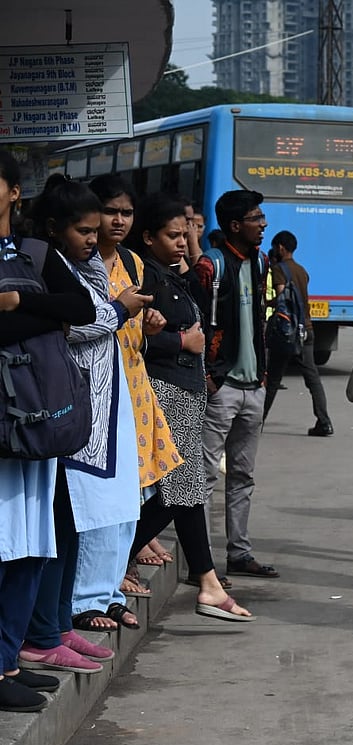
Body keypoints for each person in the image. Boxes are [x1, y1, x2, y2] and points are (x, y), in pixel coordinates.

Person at [21, 176, 152, 671]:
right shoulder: (38, 262)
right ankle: (43, 631)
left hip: (90, 412)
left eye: (96, 229)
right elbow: (77, 323)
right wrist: (120, 309)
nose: (94, 239)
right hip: (59, 408)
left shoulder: (79, 263)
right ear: (53, 227)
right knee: (58, 521)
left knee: (75, 521)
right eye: (84, 230)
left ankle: (57, 626)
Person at [0, 151, 96, 710]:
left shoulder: (34, 253)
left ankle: (9, 656)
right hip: (5, 422)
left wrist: (16, 299)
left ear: (16, 192)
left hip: (40, 419)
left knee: (32, 546)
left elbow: (81, 304)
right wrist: (44, 312)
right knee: (5, 545)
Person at [128, 193, 254, 620]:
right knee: (181, 490)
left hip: (187, 390)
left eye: (186, 234)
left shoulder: (173, 276)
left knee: (181, 491)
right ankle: (205, 580)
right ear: (148, 237)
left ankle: (205, 580)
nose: (182, 242)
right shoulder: (146, 279)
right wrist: (180, 341)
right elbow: (132, 338)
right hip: (166, 392)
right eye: (172, 235)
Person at [89, 174, 179, 609]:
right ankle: (94, 590)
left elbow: (138, 329)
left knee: (135, 491)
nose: (118, 220)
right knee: (101, 496)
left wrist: (151, 324)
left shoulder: (134, 263)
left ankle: (114, 577)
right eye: (111, 212)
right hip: (96, 388)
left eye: (126, 212)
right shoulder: (77, 262)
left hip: (134, 384)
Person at [194, 190, 280, 578]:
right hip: (223, 386)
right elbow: (199, 323)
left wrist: (261, 377)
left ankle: (239, 553)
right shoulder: (211, 266)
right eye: (255, 218)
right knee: (207, 476)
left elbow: (261, 320)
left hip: (252, 386)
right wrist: (210, 377)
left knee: (243, 476)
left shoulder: (261, 263)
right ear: (234, 226)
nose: (263, 224)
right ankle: (202, 564)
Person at [262, 230, 333, 437]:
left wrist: (268, 303)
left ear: (281, 248)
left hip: (287, 331)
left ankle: (257, 421)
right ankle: (324, 421)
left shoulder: (279, 269)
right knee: (312, 378)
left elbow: (284, 297)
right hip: (306, 329)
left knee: (273, 378)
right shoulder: (302, 270)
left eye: (276, 247)